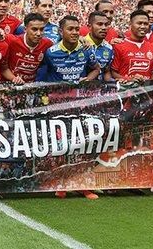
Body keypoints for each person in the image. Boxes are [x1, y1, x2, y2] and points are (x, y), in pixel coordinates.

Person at [37, 14, 99, 200]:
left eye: (76, 29)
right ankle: (60, 183)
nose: (74, 32)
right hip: (57, 106)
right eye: (70, 29)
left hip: (80, 105)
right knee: (60, 145)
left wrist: (87, 79)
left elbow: (96, 69)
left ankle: (81, 185)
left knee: (81, 144)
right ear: (60, 31)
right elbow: (41, 77)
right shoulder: (51, 52)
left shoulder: (86, 50)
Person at [110, 10, 153, 82]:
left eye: (145, 24)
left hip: (146, 91)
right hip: (125, 91)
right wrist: (129, 80)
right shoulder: (119, 46)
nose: (143, 26)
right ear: (130, 24)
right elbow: (113, 73)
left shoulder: (152, 48)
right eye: (139, 23)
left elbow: (152, 74)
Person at [4, 13, 53, 83]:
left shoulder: (48, 44)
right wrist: (14, 78)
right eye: (34, 29)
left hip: (30, 87)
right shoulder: (11, 41)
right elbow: (3, 68)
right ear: (25, 29)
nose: (39, 33)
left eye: (41, 29)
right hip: (10, 85)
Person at [83, 11, 114, 81]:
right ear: (89, 26)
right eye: (99, 24)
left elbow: (106, 71)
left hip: (100, 90)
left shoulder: (109, 48)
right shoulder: (81, 44)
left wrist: (110, 84)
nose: (104, 28)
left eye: (106, 24)